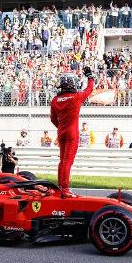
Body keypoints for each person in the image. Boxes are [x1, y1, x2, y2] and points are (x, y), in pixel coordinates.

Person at [50, 66, 94, 197]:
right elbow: (89, 89)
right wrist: (90, 77)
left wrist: (61, 127)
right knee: (68, 161)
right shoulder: (76, 97)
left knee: (62, 160)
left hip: (61, 132)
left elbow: (52, 119)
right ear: (71, 84)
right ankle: (65, 189)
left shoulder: (55, 100)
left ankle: (60, 186)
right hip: (72, 132)